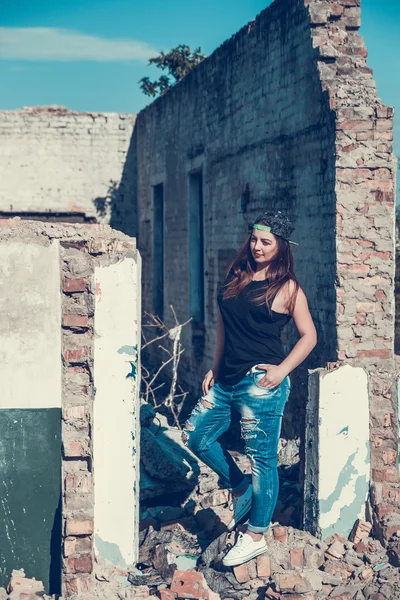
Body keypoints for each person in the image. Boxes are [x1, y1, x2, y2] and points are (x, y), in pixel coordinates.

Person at [182, 211, 317, 567]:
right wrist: (214, 365)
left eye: (266, 242)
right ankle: (241, 490)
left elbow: (309, 336)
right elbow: (224, 324)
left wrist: (283, 370)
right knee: (195, 436)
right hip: (226, 379)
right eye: (254, 239)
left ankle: (256, 534)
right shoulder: (237, 275)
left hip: (261, 383)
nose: (257, 247)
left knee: (262, 459)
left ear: (280, 246)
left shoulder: (287, 287)